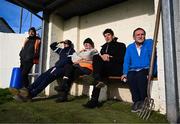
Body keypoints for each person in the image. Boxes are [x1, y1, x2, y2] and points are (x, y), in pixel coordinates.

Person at [83, 28, 126, 108]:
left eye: (109, 35)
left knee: (97, 75)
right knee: (96, 58)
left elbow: (122, 59)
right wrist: (102, 57)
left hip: (116, 68)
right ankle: (93, 100)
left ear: (112, 36)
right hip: (105, 69)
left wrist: (110, 57)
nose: (107, 37)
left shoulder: (121, 45)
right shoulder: (103, 47)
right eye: (105, 36)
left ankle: (93, 98)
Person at [121, 28, 157, 112]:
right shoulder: (130, 47)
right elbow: (126, 61)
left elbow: (154, 59)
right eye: (138, 35)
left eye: (142, 34)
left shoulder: (149, 43)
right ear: (134, 37)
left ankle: (143, 100)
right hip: (133, 69)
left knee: (140, 76)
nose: (140, 36)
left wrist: (153, 72)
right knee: (130, 76)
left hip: (146, 68)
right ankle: (136, 101)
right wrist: (125, 73)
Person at [54, 38, 98, 102]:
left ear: (91, 44)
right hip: (79, 67)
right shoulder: (82, 51)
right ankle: (63, 93)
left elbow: (95, 62)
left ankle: (63, 90)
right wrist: (78, 58)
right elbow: (75, 58)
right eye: (84, 44)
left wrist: (83, 60)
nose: (86, 45)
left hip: (87, 68)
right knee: (69, 70)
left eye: (87, 43)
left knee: (70, 73)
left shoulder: (94, 51)